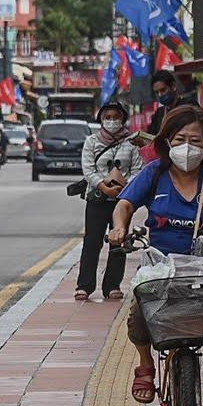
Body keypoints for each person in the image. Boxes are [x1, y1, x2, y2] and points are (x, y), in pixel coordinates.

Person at [109, 105, 203, 406]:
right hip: (158, 267)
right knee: (138, 311)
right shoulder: (153, 174)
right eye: (179, 139)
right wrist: (119, 228)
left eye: (195, 140)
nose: (186, 147)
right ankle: (145, 365)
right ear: (167, 141)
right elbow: (124, 204)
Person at [76, 101, 144, 302]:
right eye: (108, 117)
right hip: (97, 199)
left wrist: (124, 189)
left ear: (123, 119)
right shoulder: (91, 141)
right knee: (92, 242)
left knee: (119, 240)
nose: (112, 121)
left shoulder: (131, 143)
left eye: (116, 117)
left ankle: (113, 285)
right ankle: (84, 286)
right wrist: (103, 187)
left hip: (122, 201)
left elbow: (137, 170)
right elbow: (88, 169)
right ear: (101, 119)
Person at [148, 69, 197, 135]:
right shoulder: (159, 113)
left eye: (163, 90)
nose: (160, 95)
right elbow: (151, 135)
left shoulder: (188, 106)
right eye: (157, 92)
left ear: (173, 86)